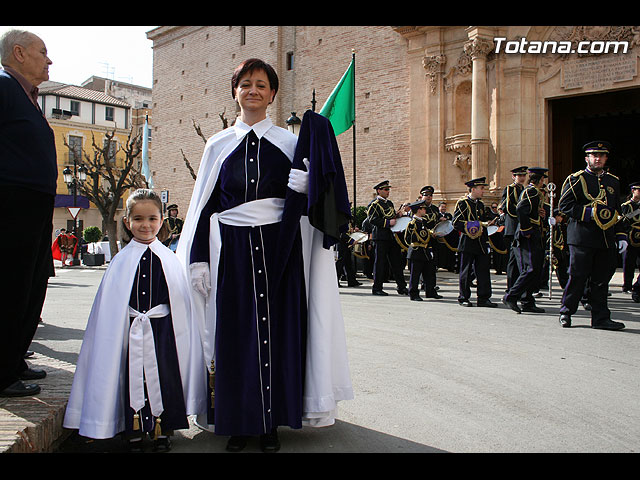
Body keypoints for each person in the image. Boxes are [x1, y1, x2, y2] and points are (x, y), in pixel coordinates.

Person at [176, 59, 353, 453]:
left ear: (273, 93)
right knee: (235, 336)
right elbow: (203, 207)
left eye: (261, 84)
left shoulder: (291, 144)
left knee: (281, 334)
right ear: (235, 91)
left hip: (282, 248)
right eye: (245, 84)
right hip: (231, 252)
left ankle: (271, 421)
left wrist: (309, 189)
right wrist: (200, 259)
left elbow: (321, 204)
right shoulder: (217, 145)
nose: (253, 90)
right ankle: (240, 422)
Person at [63, 189, 205, 452]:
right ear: (127, 221)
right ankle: (134, 431)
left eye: (152, 218)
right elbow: (108, 310)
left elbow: (180, 303)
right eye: (138, 219)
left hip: (162, 334)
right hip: (129, 332)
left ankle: (164, 431)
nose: (145, 225)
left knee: (165, 377)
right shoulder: (120, 261)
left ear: (161, 220)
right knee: (132, 378)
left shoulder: (169, 259)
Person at [0, 30, 55, 398]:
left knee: (32, 284)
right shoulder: (3, 88)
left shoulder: (29, 97)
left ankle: (13, 359)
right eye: (42, 52)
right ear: (18, 53)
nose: (49, 60)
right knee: (9, 288)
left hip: (34, 204)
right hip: (11, 203)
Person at [557, 141, 627, 330]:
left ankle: (601, 318)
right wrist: (590, 214)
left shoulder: (613, 181)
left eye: (601, 156)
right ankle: (566, 311)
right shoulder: (576, 179)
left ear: (606, 158)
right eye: (594, 155)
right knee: (577, 277)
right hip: (582, 237)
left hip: (604, 239)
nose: (598, 159)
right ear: (587, 158)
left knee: (601, 280)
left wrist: (621, 235)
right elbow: (564, 206)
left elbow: (617, 211)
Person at [502, 167, 548, 314]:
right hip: (526, 235)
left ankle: (527, 301)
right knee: (530, 268)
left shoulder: (533, 192)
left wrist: (539, 213)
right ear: (540, 180)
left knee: (534, 269)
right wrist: (526, 229)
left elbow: (529, 210)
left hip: (534, 233)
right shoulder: (532, 191)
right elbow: (520, 209)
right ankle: (511, 295)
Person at [452, 177, 497, 308]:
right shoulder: (463, 203)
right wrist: (478, 225)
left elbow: (484, 220)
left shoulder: (481, 205)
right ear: (473, 189)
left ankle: (484, 297)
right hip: (468, 242)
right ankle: (463, 297)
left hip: (481, 242)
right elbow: (456, 223)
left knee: (483, 270)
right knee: (465, 271)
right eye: (481, 188)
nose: (483, 191)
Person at [367, 180, 409, 296]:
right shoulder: (374, 204)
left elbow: (391, 216)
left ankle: (402, 287)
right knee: (380, 263)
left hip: (391, 236)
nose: (387, 191)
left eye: (388, 189)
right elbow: (372, 219)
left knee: (397, 262)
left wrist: (398, 215)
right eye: (385, 189)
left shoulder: (389, 203)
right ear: (378, 191)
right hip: (380, 236)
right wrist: (387, 222)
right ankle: (377, 288)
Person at [404, 200, 442, 301]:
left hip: (426, 251)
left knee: (429, 273)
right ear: (418, 210)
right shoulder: (412, 224)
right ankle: (413, 293)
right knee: (415, 275)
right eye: (423, 208)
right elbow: (408, 239)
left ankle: (430, 291)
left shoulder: (424, 222)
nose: (425, 210)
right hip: (416, 251)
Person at [500, 166, 528, 290]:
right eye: (519, 176)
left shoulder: (524, 189)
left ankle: (515, 285)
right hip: (513, 226)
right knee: (513, 259)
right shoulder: (509, 189)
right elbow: (507, 207)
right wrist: (520, 215)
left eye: (523, 175)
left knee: (517, 258)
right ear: (514, 177)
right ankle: (511, 286)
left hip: (521, 226)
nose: (522, 178)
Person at [620, 182, 640, 297]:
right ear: (633, 191)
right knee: (629, 263)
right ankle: (627, 285)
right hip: (630, 236)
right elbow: (623, 220)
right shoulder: (626, 205)